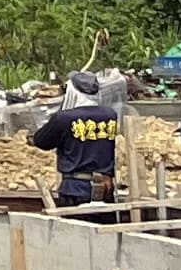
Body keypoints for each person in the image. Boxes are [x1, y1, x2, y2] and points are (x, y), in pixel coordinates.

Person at [29, 72, 122, 210]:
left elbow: (41, 141)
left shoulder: (63, 118)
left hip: (75, 189)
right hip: (105, 187)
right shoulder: (110, 115)